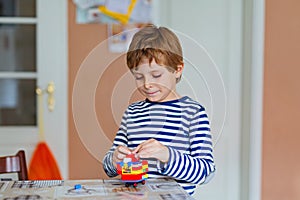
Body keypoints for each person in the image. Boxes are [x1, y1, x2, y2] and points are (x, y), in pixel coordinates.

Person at [103, 25, 215, 196]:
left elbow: (206, 172)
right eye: (138, 77)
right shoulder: (132, 113)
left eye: (156, 75)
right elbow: (109, 168)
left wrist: (168, 155)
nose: (147, 84)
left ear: (177, 70)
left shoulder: (193, 114)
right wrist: (114, 159)